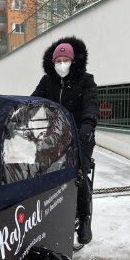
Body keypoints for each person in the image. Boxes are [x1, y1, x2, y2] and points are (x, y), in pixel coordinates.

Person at [32, 36, 98, 244]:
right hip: (55, 136)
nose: (61, 64)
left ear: (73, 60)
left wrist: (88, 123)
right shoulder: (47, 82)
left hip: (80, 136)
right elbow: (33, 102)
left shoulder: (86, 80)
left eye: (65, 60)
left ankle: (85, 220)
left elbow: (91, 104)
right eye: (57, 61)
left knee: (79, 175)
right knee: (41, 172)